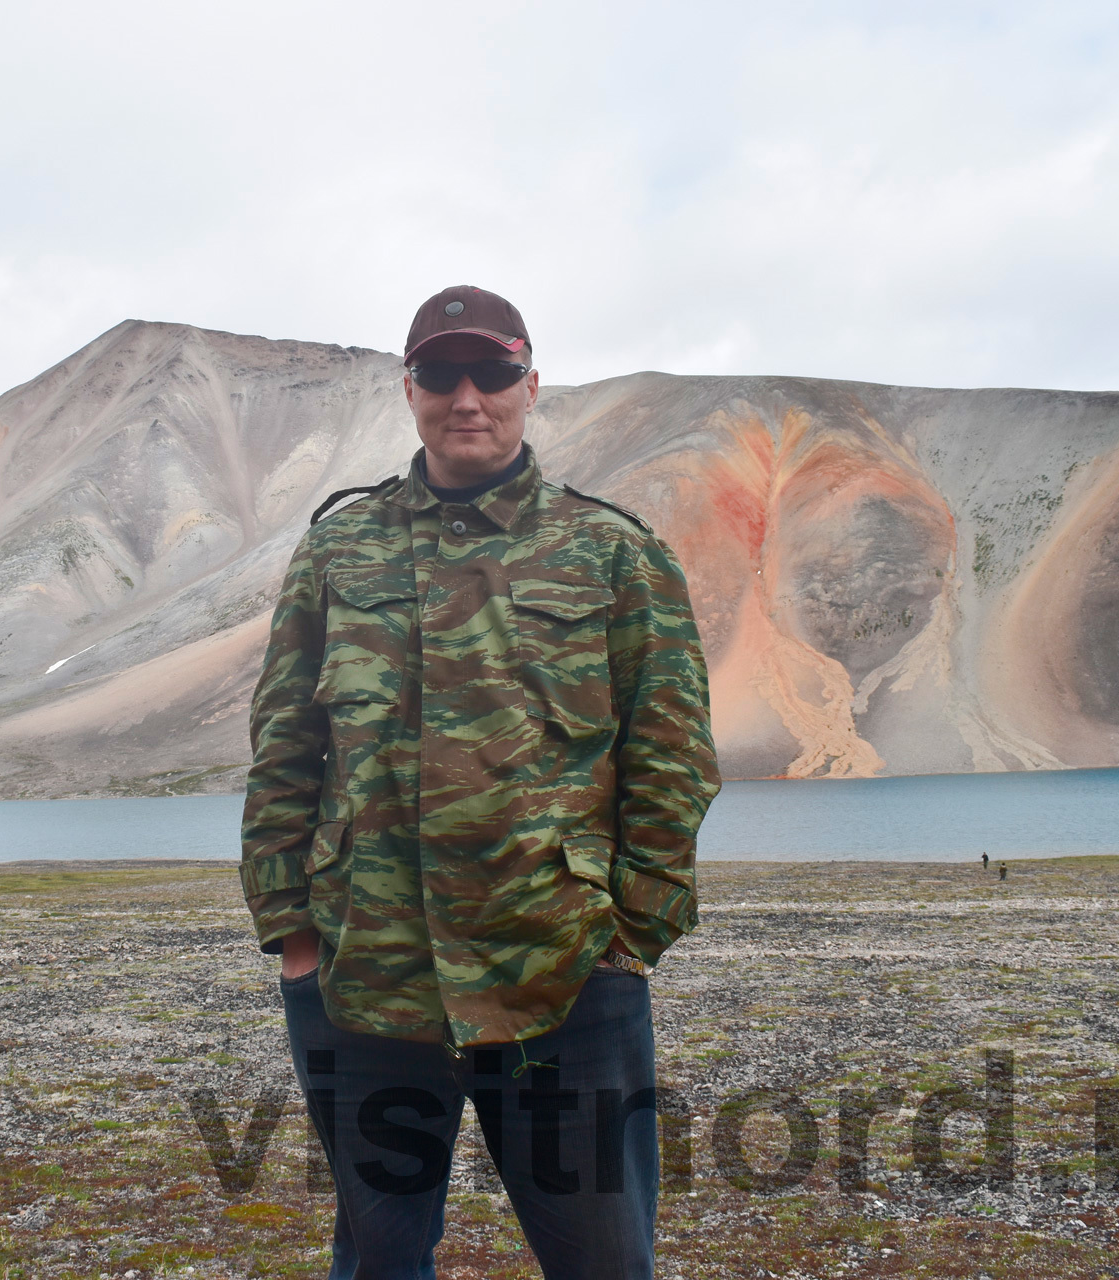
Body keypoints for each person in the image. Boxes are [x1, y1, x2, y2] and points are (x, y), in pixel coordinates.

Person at [239, 285, 720, 1279]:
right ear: (408, 388)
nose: (470, 397)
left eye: (493, 372)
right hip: (366, 978)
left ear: (530, 385)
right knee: (377, 1261)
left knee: (605, 1261)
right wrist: (291, 931)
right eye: (442, 373)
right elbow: (286, 741)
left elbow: (671, 757)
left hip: (566, 978)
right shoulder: (339, 547)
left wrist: (631, 934)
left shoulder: (611, 552)